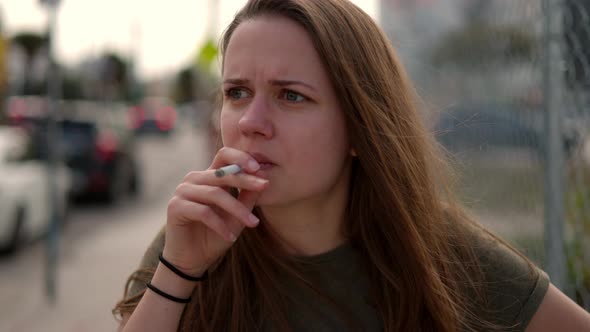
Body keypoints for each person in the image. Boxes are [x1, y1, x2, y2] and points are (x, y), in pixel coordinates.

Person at [113, 0, 590, 331]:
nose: (251, 122)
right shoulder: (193, 235)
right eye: (237, 92)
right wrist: (177, 273)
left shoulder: (442, 255)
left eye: (291, 96)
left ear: (361, 128)